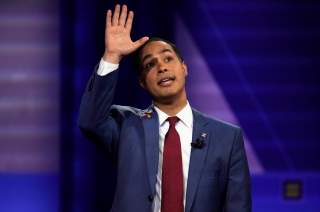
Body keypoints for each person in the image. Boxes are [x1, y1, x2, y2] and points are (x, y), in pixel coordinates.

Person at [78, 4, 251, 212]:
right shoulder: (126, 125)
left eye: (168, 58)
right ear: (142, 82)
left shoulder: (227, 137)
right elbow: (90, 121)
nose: (162, 67)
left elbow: (237, 207)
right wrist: (112, 56)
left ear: (184, 68)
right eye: (150, 65)